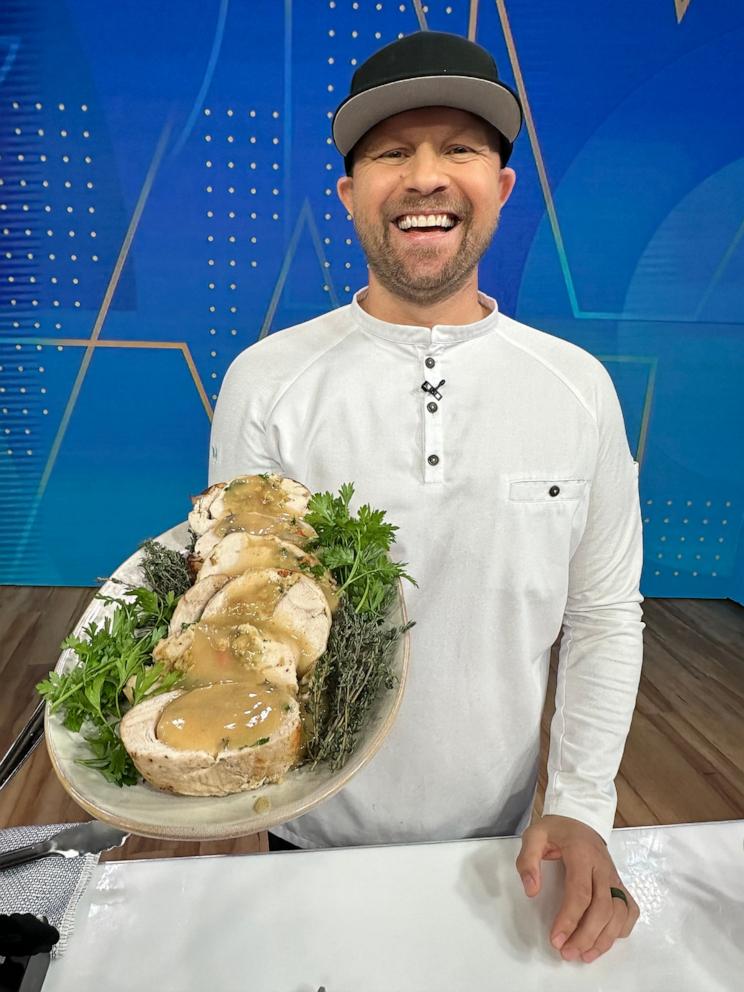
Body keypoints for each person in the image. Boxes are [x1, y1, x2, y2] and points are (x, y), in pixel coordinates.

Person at [208, 31, 644, 964]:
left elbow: (603, 615)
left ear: (502, 186)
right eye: (391, 152)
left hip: (504, 841)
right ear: (348, 193)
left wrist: (581, 804)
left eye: (460, 148)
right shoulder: (267, 380)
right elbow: (234, 616)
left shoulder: (576, 388)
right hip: (305, 827)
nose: (425, 176)